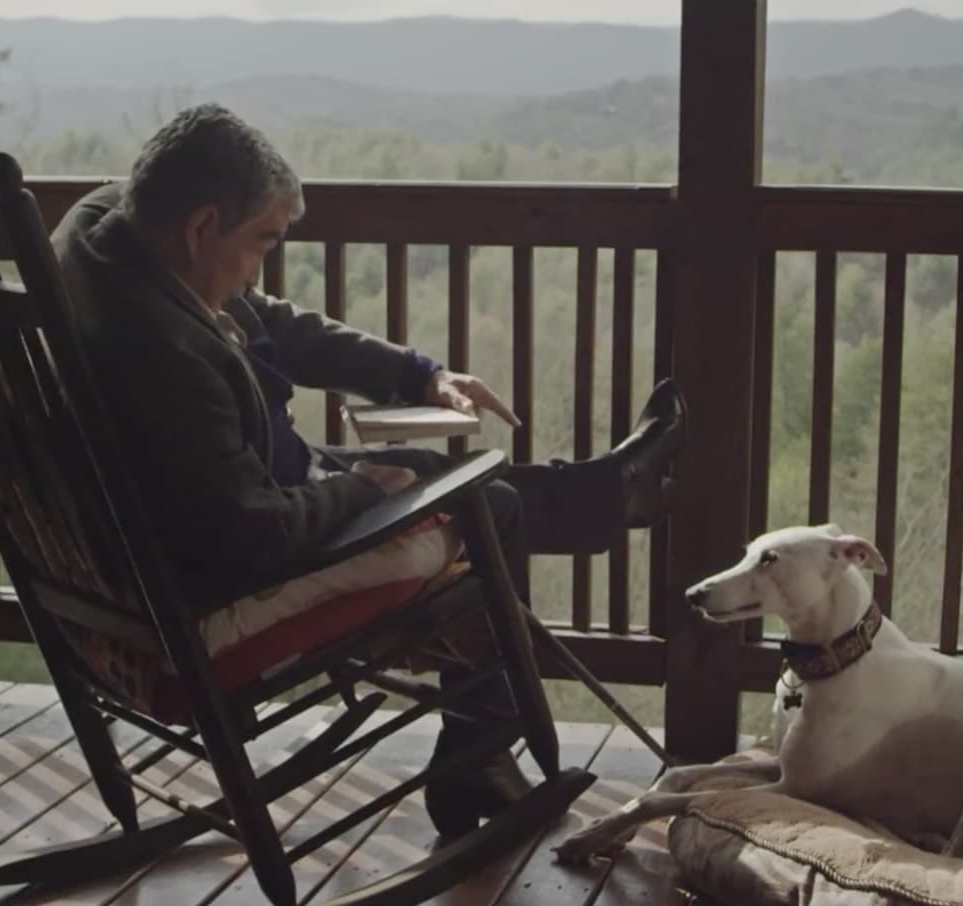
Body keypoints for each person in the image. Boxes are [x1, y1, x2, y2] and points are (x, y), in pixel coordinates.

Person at [48, 103, 684, 836]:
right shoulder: (165, 355)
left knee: (450, 477)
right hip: (229, 563)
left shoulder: (104, 230)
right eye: (261, 243)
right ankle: (477, 754)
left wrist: (417, 375)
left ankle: (608, 493)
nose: (259, 268)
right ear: (202, 226)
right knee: (490, 505)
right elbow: (250, 534)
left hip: (211, 506)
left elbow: (265, 320)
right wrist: (354, 490)